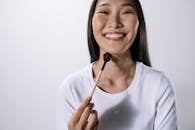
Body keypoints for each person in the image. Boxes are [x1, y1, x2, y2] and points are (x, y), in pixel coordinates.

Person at [56, 0, 177, 129]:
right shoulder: (72, 87)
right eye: (104, 11)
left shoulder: (159, 85)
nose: (114, 23)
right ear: (91, 21)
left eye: (126, 12)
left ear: (138, 22)